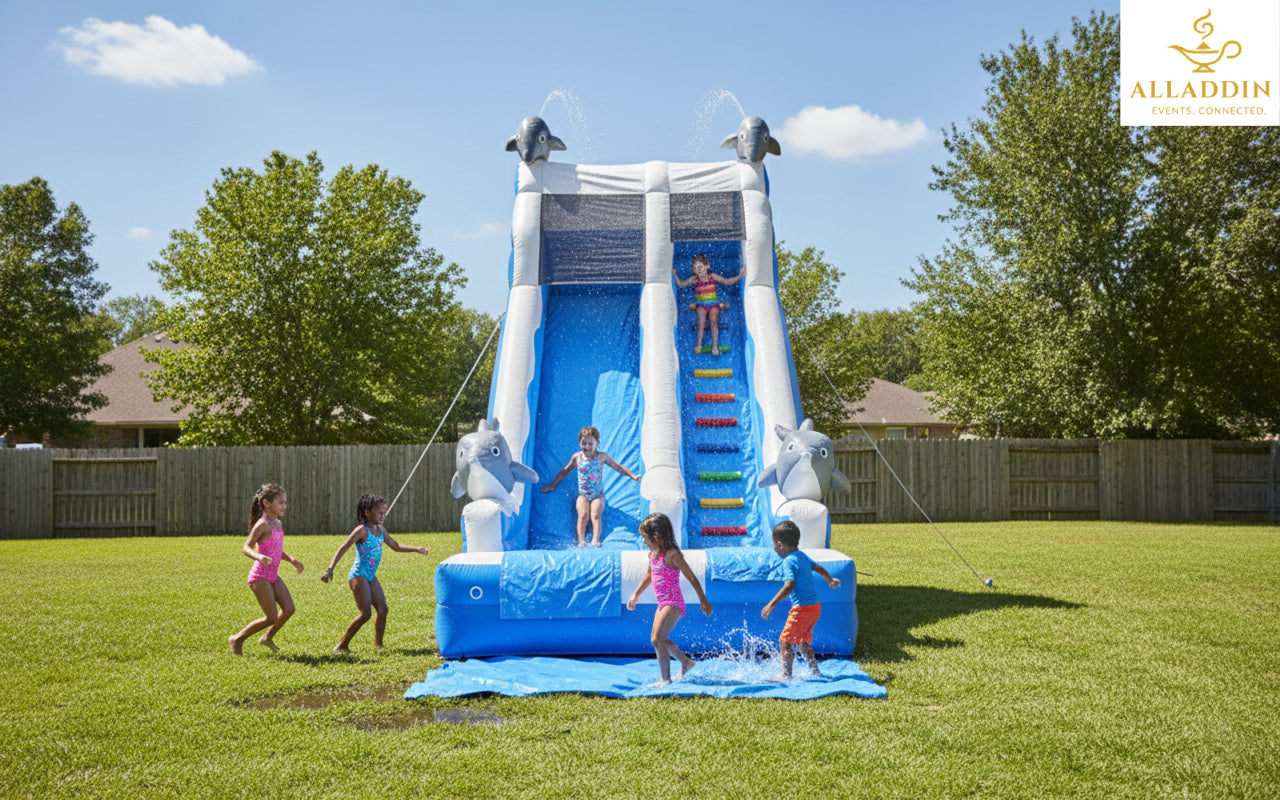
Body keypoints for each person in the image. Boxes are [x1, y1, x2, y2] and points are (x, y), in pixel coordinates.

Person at [321, 493, 429, 652]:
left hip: (371, 576)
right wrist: (330, 569)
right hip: (359, 574)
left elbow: (396, 546)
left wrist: (416, 549)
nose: (383, 515)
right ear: (367, 512)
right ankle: (341, 645)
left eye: (384, 512)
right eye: (379, 512)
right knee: (365, 614)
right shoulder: (361, 531)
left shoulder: (381, 530)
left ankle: (379, 645)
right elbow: (343, 548)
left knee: (383, 609)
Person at [626, 512, 713, 685]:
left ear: (656, 537)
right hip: (663, 603)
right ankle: (687, 663)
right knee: (660, 640)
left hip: (673, 602)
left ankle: (665, 679)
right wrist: (636, 594)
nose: (644, 541)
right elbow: (649, 575)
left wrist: (703, 599)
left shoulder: (672, 555)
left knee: (656, 639)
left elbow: (691, 577)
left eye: (645, 537)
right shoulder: (653, 555)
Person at [761, 520, 841, 680]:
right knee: (801, 641)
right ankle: (814, 670)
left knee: (784, 641)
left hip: (802, 609)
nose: (774, 548)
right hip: (815, 607)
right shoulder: (802, 556)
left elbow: (789, 585)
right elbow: (818, 567)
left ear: (779, 544)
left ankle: (786, 675)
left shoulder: (788, 561)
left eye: (774, 545)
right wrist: (829, 580)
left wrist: (771, 604)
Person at [230, 483, 304, 655]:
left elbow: (276, 549)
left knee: (289, 609)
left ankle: (267, 637)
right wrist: (258, 557)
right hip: (259, 576)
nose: (284, 506)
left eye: (285, 502)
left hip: (272, 575)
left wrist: (291, 559)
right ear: (266, 503)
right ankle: (237, 639)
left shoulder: (277, 523)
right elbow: (246, 547)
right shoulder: (262, 525)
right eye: (281, 502)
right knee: (271, 617)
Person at [540, 425, 641, 547]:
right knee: (582, 515)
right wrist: (553, 484)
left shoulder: (601, 457)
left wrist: (632, 475)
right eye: (584, 443)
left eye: (590, 443)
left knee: (595, 514)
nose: (587, 447)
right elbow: (565, 471)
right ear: (579, 443)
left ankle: (595, 539)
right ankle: (581, 541)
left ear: (597, 443)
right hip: (583, 495)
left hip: (597, 495)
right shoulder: (577, 458)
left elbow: (618, 467)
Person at [672, 253, 745, 356]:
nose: (698, 269)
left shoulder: (712, 277)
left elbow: (727, 282)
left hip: (713, 304)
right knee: (701, 321)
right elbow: (682, 284)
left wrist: (741, 275)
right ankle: (699, 345)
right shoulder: (694, 279)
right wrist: (674, 275)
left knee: (714, 322)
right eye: (695, 267)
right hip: (701, 304)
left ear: (707, 266)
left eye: (700, 266)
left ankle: (714, 347)